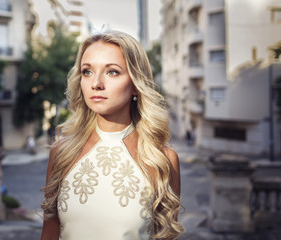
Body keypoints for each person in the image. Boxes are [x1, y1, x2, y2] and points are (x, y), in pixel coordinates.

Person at [40, 30, 184, 240]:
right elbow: (49, 234)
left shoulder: (163, 160)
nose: (96, 83)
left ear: (135, 84)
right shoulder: (61, 153)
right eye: (87, 71)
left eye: (112, 72)